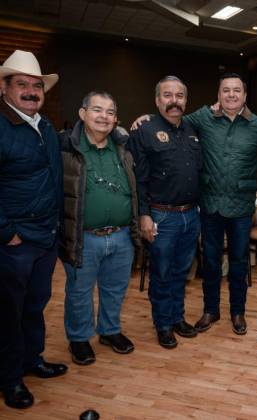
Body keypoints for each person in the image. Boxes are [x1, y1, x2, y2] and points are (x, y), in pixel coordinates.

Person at [0, 50, 67, 409]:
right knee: (8, 314)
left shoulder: (45, 127)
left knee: (34, 305)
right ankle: (10, 380)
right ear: (4, 87)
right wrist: (6, 232)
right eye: (22, 84)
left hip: (45, 238)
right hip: (15, 242)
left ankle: (32, 360)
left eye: (36, 86)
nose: (30, 91)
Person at [59, 91, 141, 365]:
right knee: (79, 292)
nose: (104, 117)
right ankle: (79, 338)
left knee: (115, 289)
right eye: (97, 110)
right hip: (83, 236)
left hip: (121, 235)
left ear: (116, 119)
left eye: (110, 112)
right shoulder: (65, 148)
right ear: (82, 114)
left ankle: (109, 330)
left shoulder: (124, 148)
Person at [183, 73, 257, 336]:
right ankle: (211, 310)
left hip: (241, 206)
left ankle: (237, 311)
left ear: (245, 95)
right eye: (226, 90)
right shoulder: (204, 118)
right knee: (210, 260)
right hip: (210, 204)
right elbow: (175, 121)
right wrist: (145, 119)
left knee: (239, 262)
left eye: (236, 90)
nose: (231, 95)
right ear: (218, 95)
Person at [129, 76, 202, 349]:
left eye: (179, 96)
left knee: (181, 272)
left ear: (186, 100)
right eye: (168, 95)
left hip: (190, 215)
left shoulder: (192, 129)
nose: (174, 101)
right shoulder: (144, 130)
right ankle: (163, 324)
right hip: (161, 216)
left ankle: (177, 318)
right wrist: (144, 215)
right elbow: (137, 179)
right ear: (157, 100)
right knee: (161, 273)